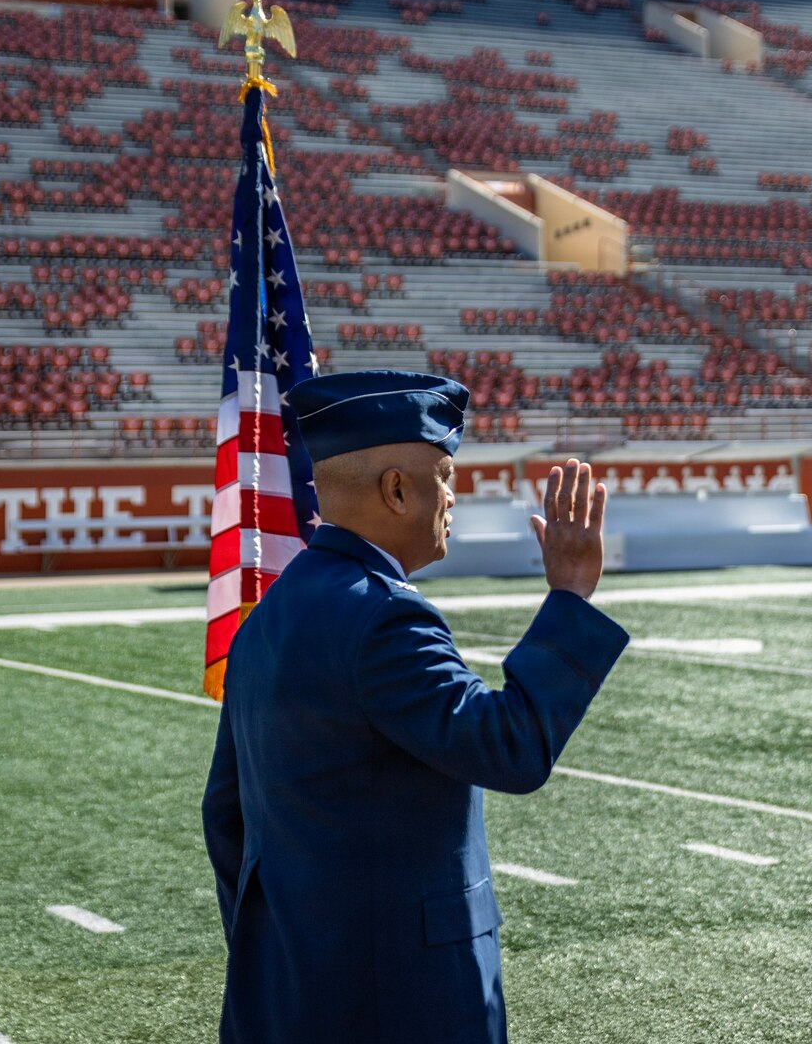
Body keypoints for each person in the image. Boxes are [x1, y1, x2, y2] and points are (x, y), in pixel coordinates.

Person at [202, 369, 628, 1043]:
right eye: (448, 476)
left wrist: (287, 945)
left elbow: (225, 815)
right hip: (398, 998)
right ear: (398, 489)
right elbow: (508, 748)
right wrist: (570, 598)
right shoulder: (385, 617)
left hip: (292, 986)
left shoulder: (269, 614)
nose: (456, 496)